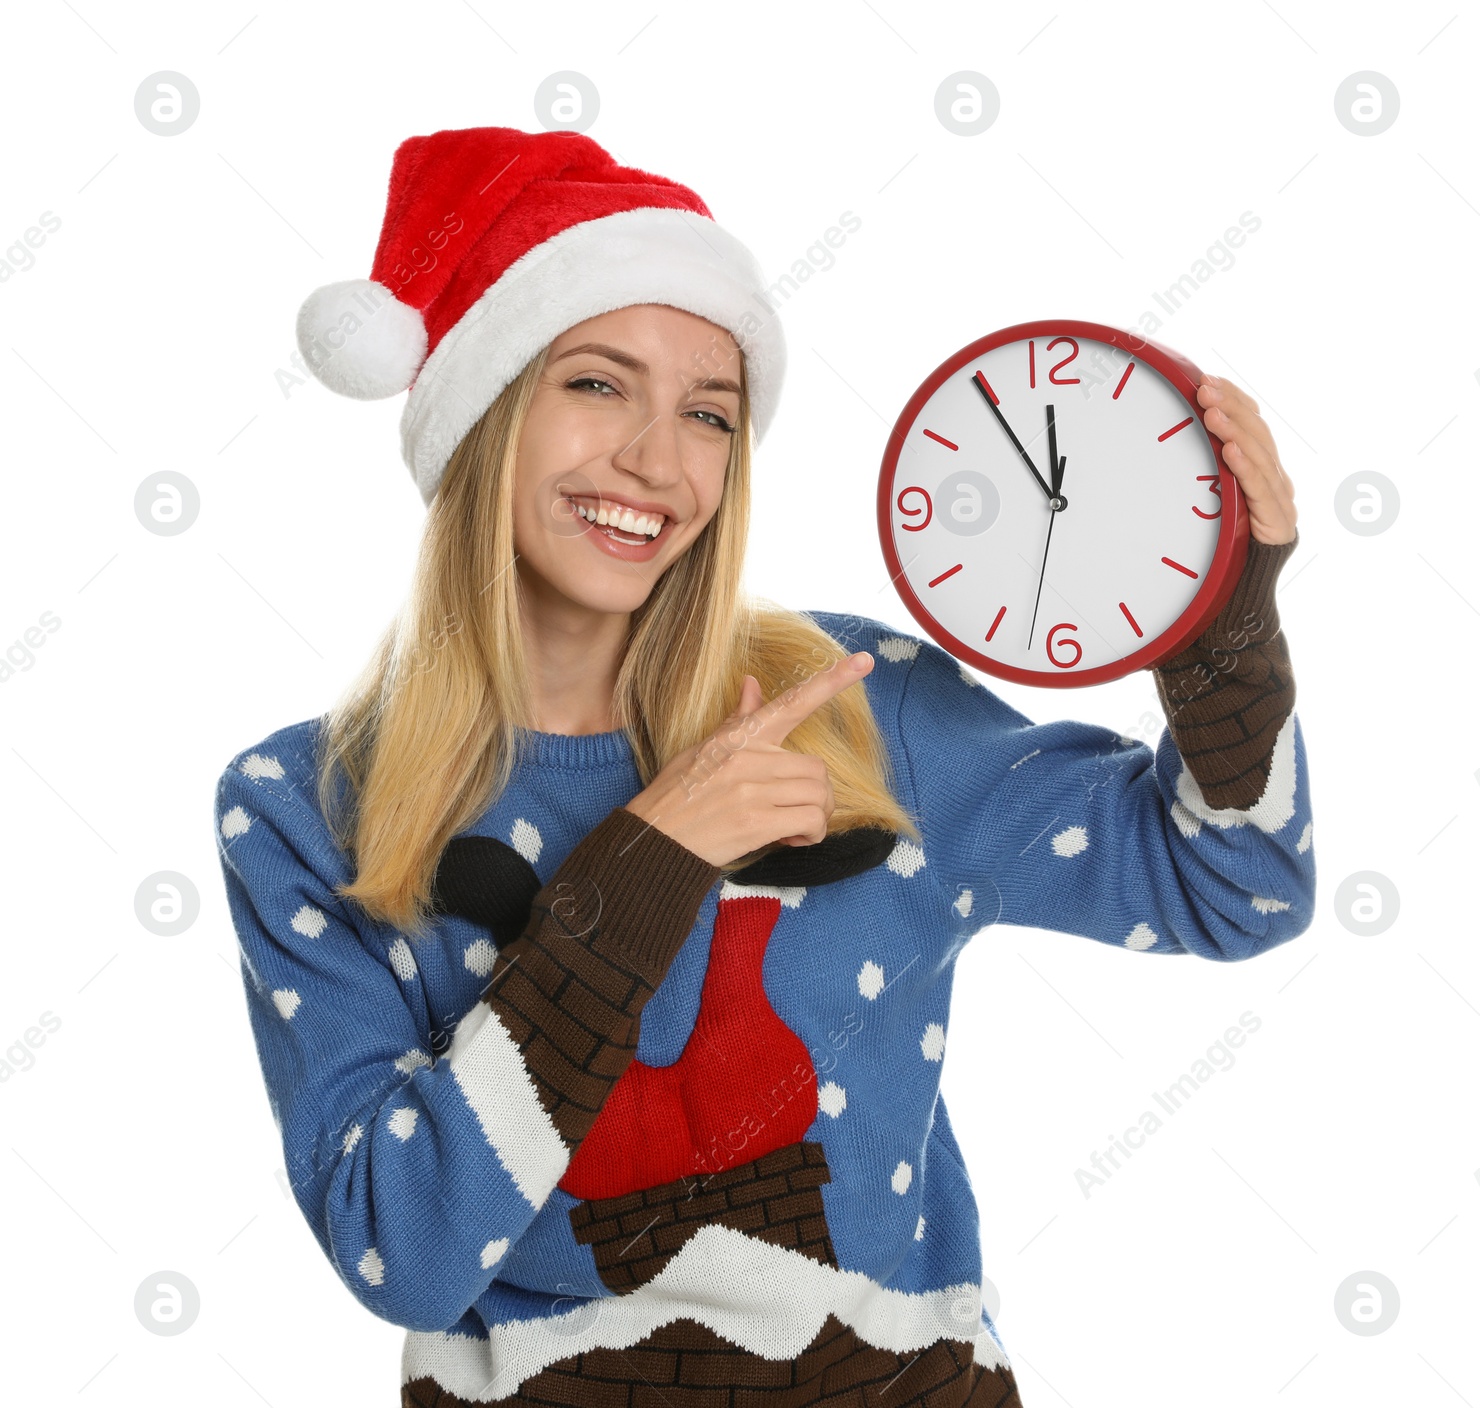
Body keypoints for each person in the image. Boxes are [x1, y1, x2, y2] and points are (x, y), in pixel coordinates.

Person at [213, 126, 1314, 1408]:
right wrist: (650, 857)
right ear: (482, 408)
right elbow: (398, 1244)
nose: (655, 459)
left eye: (708, 413)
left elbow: (1237, 889)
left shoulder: (860, 705)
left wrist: (1219, 619)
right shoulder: (304, 806)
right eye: (594, 384)